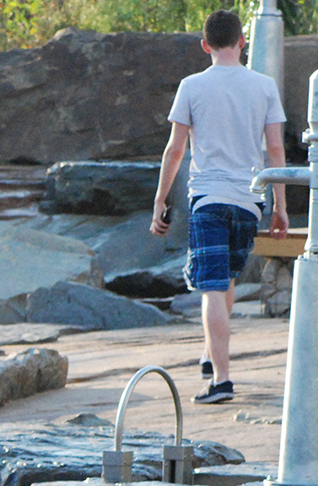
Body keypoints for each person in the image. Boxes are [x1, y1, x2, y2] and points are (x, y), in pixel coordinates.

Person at [152, 8, 287, 405]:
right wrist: (279, 204)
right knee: (224, 279)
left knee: (211, 287)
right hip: (249, 201)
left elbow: (175, 149)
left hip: (208, 199)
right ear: (243, 42)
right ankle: (211, 355)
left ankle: (222, 381)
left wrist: (160, 199)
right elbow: (275, 149)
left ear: (205, 45)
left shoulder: (191, 86)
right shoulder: (263, 86)